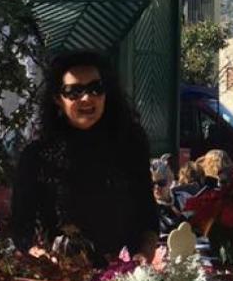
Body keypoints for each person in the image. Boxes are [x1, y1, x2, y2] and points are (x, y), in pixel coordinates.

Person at [10, 51, 158, 263]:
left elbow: (147, 213)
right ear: (57, 100)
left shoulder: (130, 144)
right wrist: (43, 258)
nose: (87, 98)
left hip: (123, 275)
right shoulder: (37, 156)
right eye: (74, 92)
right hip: (63, 279)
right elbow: (22, 229)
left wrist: (143, 256)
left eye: (95, 89)